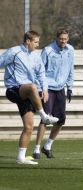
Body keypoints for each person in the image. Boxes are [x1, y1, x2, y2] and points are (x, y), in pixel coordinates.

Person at [0, 30, 59, 165]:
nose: (38, 45)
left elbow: (41, 74)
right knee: (32, 87)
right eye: (36, 42)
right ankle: (44, 115)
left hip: (27, 95)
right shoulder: (13, 52)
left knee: (29, 127)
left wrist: (44, 89)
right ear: (27, 41)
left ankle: (21, 157)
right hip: (14, 89)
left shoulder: (36, 57)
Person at [32, 28, 74, 159]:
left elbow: (71, 68)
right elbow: (39, 70)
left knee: (61, 120)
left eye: (66, 39)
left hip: (61, 89)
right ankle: (37, 149)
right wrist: (40, 89)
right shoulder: (48, 50)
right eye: (61, 39)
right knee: (45, 119)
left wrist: (70, 87)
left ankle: (47, 146)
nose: (63, 41)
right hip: (48, 88)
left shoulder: (70, 50)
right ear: (57, 38)